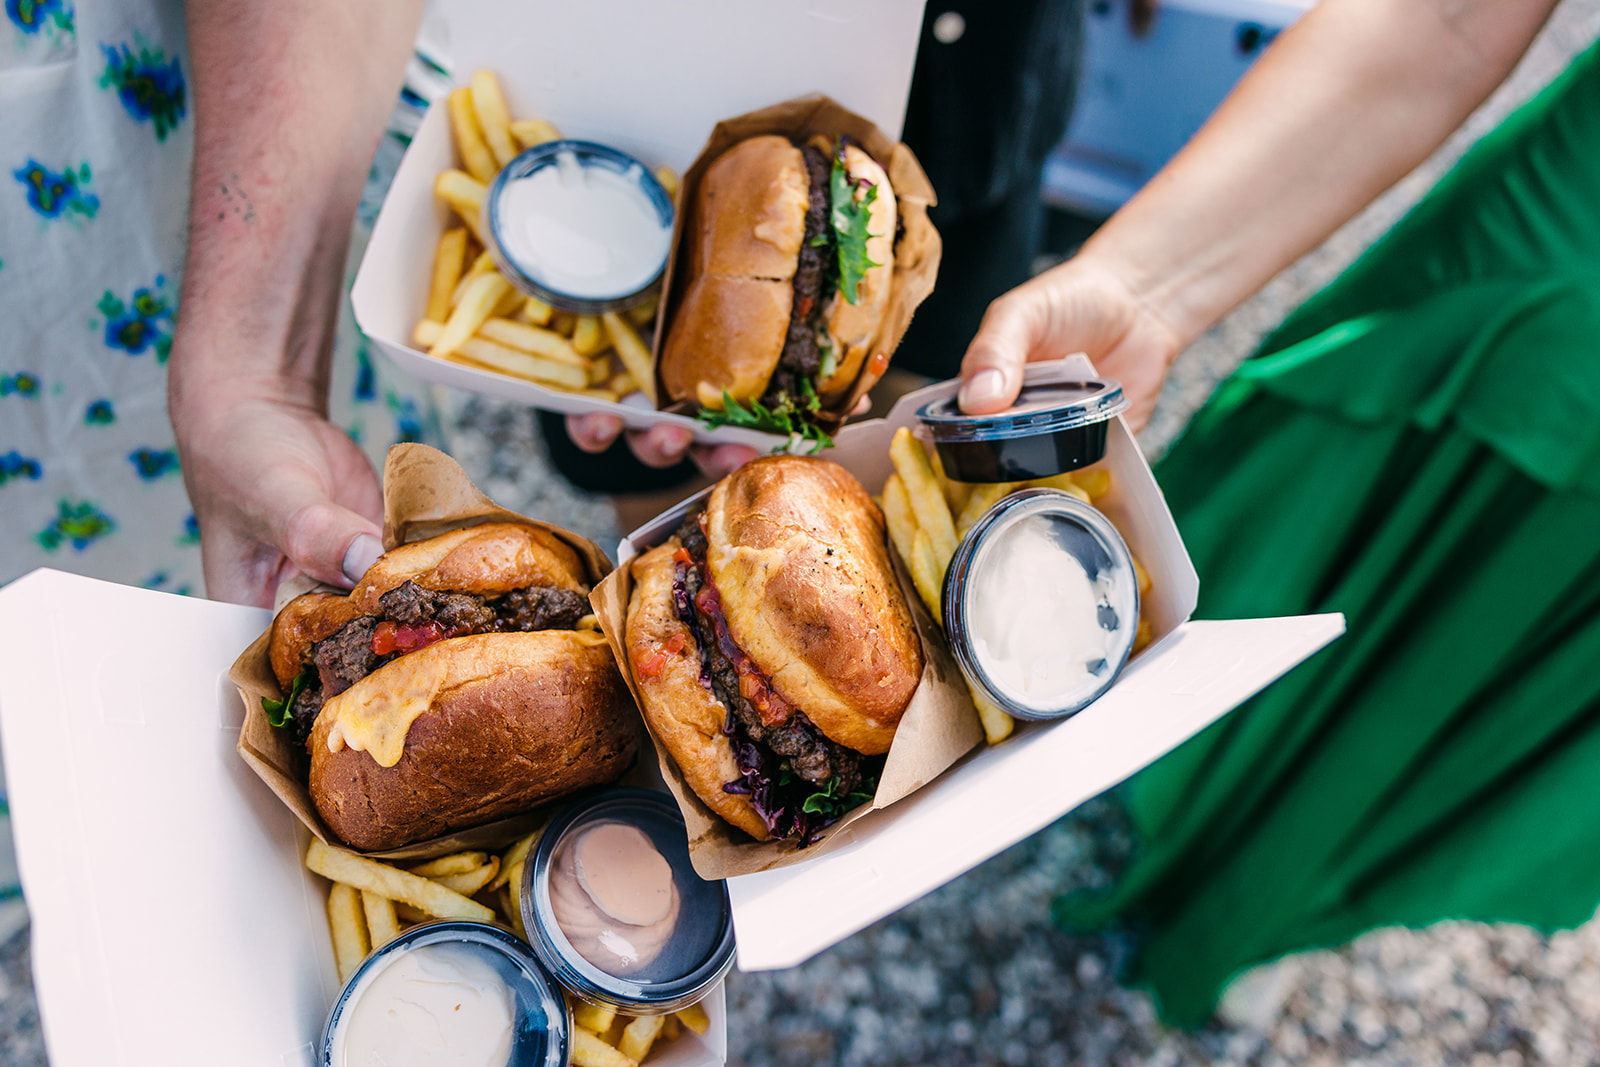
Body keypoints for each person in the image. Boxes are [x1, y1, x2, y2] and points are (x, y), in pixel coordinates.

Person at [951, 0, 1593, 1024]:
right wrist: (1143, 286)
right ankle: (1174, 795)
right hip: (1553, 273)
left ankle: (1283, 902)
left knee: (1476, 721)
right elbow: (1450, 16)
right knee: (1280, 564)